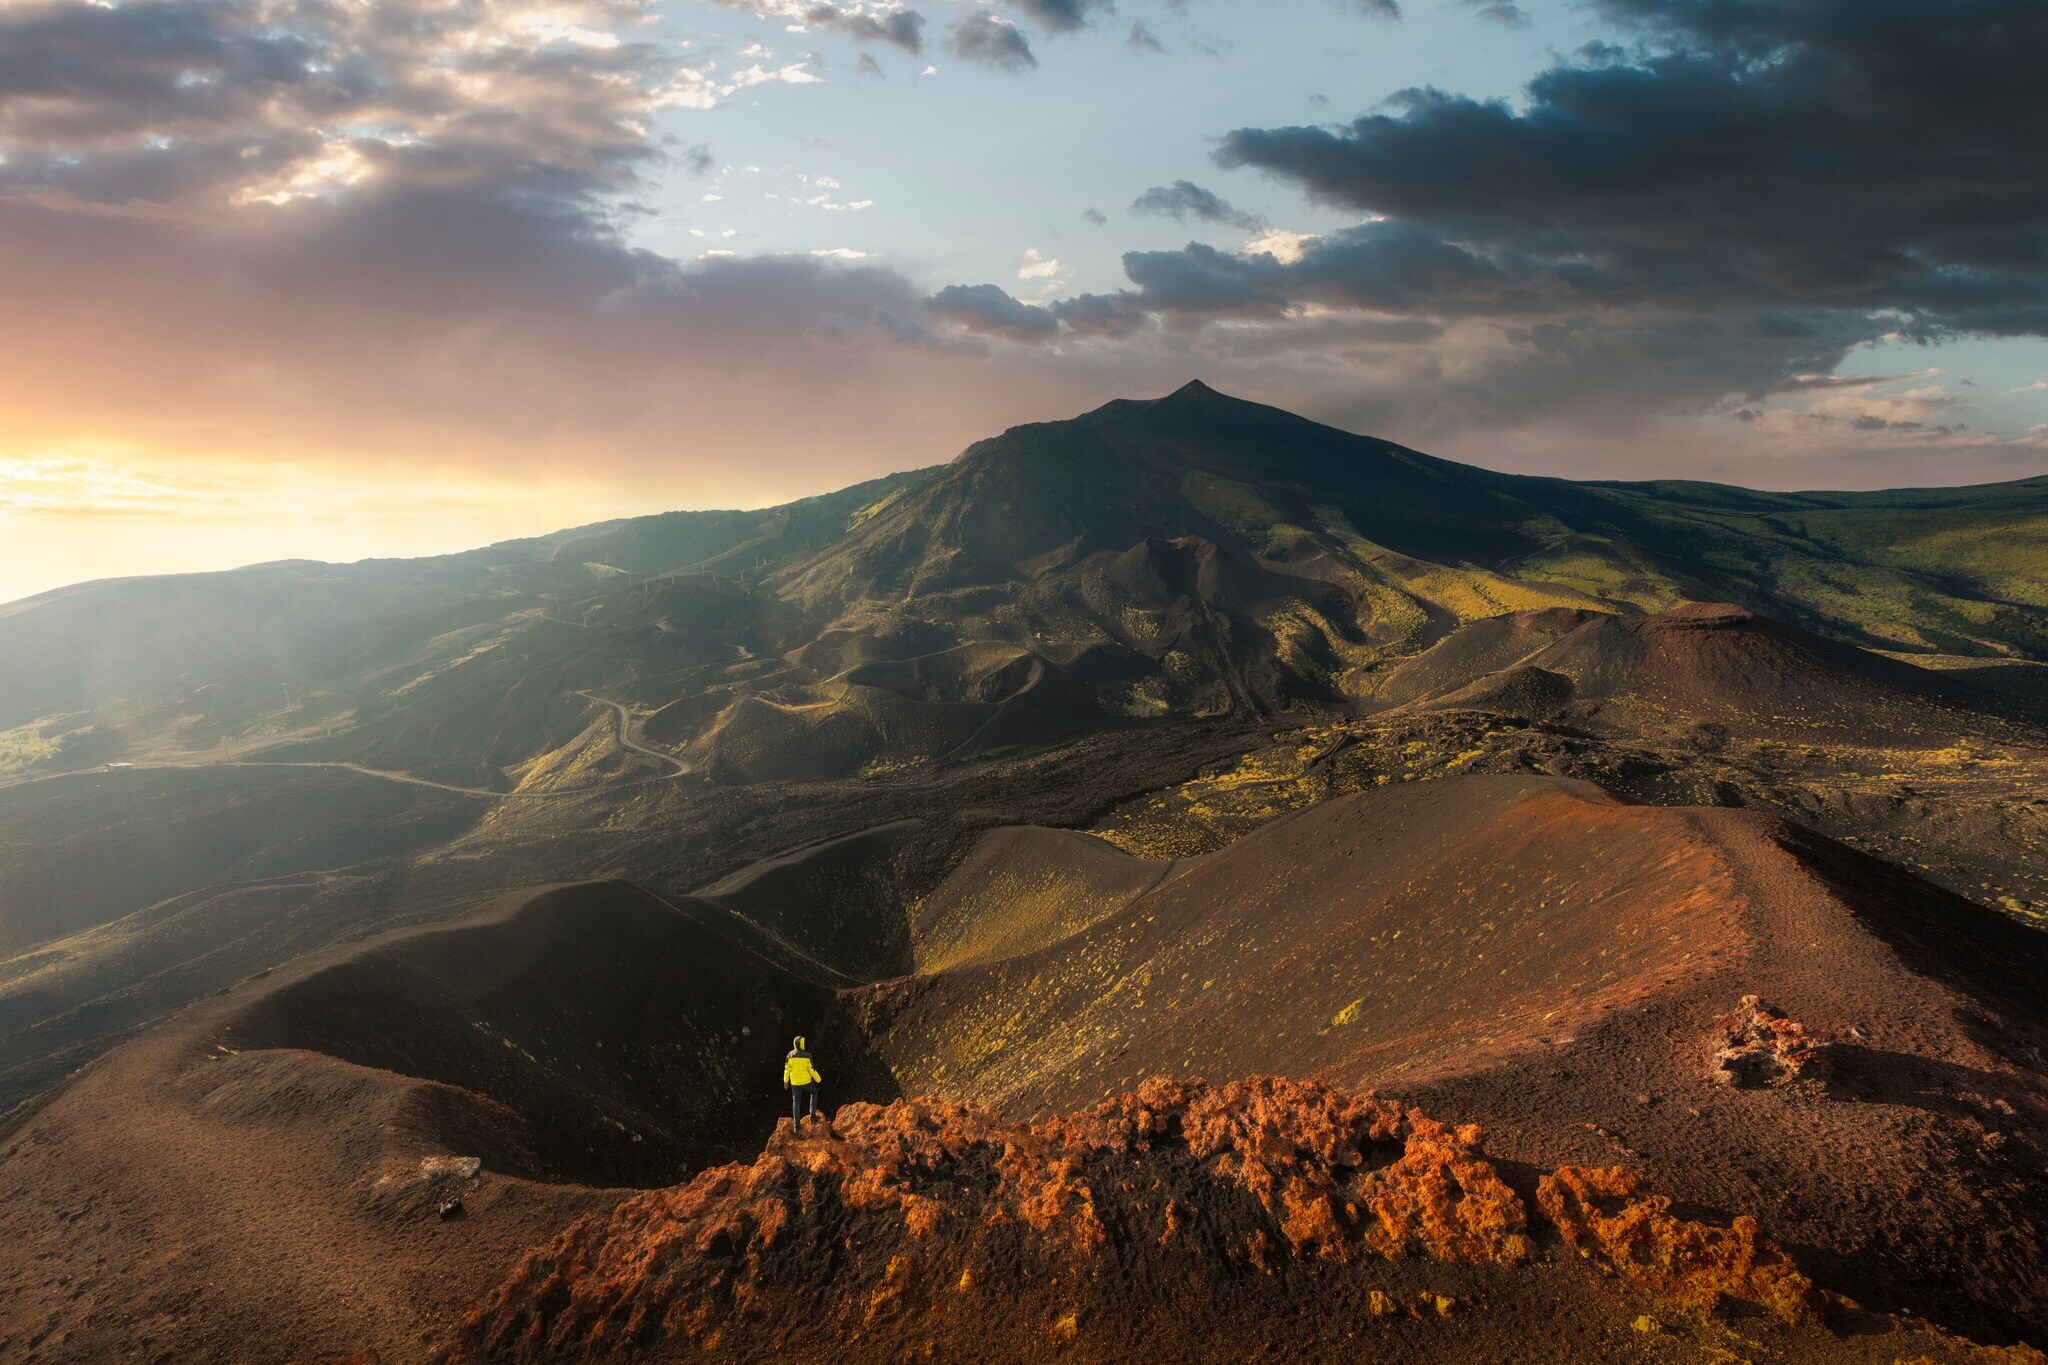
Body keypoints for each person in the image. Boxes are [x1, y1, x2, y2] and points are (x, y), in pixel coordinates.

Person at [783, 1035, 823, 1128]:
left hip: (795, 1083)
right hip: (807, 1082)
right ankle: (812, 1117)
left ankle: (796, 1126)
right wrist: (818, 1079)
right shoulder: (807, 1055)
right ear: (802, 1044)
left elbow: (786, 1070)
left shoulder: (789, 1055)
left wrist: (785, 1081)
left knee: (796, 1102)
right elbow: (811, 1070)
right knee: (813, 1093)